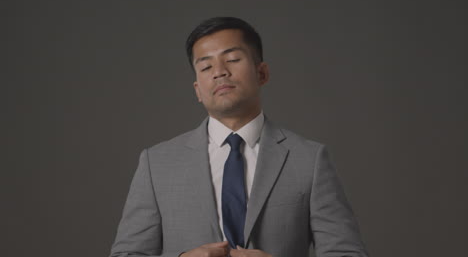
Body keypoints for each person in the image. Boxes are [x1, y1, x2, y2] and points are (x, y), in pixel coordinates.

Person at [110, 17, 369, 257]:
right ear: (198, 90)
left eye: (233, 59)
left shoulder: (310, 160)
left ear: (262, 73)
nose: (219, 72)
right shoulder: (157, 164)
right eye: (206, 66)